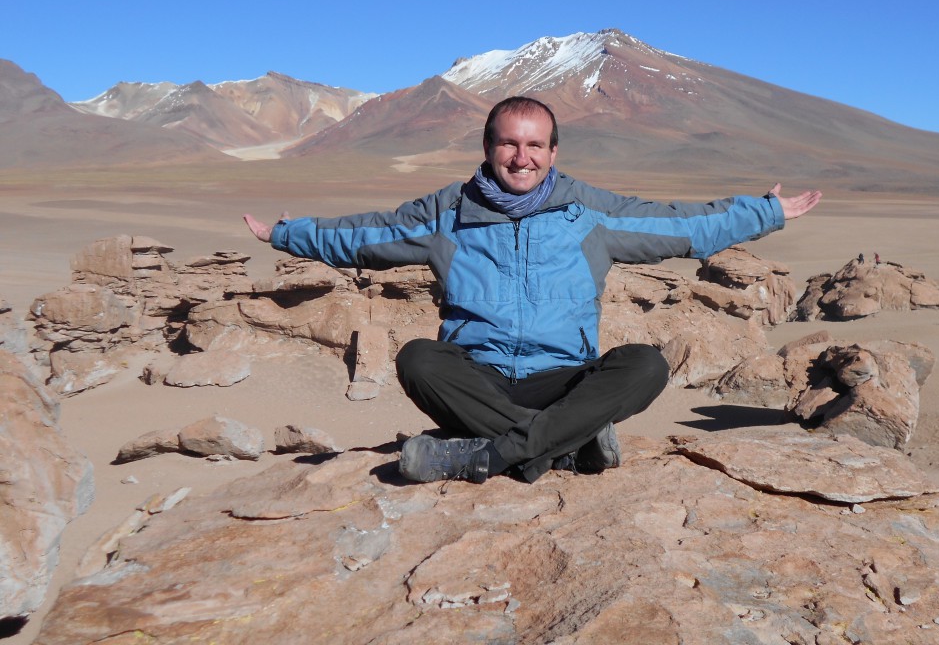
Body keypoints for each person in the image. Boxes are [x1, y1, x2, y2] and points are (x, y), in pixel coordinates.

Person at [244, 96, 821, 486]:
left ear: (553, 152)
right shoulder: (447, 214)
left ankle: (486, 455)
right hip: (480, 377)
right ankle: (564, 447)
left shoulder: (588, 212)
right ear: (489, 147)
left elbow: (679, 226)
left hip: (560, 376)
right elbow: (368, 236)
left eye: (536, 146)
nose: (523, 158)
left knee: (644, 365)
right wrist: (287, 234)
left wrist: (762, 213)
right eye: (509, 145)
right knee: (419, 359)